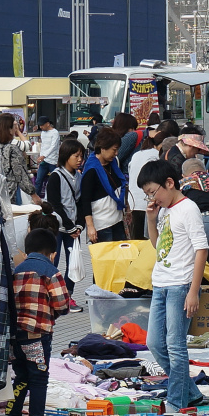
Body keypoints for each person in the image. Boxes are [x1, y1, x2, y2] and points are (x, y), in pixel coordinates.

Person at [139, 159, 209, 411]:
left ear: (169, 183)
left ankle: (176, 402)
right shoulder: (165, 210)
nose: (152, 198)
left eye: (152, 192)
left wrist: (193, 291)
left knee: (175, 345)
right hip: (161, 284)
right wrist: (151, 219)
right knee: (155, 343)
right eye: (147, 194)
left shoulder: (188, 208)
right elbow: (159, 246)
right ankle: (190, 392)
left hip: (181, 286)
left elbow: (202, 249)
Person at [7, 228, 71, 416]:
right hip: (37, 335)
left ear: (26, 252)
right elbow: (62, 304)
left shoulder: (15, 271)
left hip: (15, 336)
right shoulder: (50, 271)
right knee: (39, 377)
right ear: (53, 254)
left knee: (21, 375)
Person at [45, 139, 85, 297]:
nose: (80, 160)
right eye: (76, 156)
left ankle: (68, 295)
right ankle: (50, 293)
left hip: (73, 227)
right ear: (66, 156)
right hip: (57, 226)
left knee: (73, 263)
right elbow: (55, 204)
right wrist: (70, 226)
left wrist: (80, 225)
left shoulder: (79, 176)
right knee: (53, 260)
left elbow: (81, 202)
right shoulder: (56, 176)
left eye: (81, 156)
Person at [78, 128, 128, 245]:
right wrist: (90, 227)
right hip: (102, 225)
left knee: (122, 258)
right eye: (114, 150)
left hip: (117, 220)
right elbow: (85, 200)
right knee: (107, 261)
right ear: (103, 148)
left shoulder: (114, 163)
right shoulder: (91, 170)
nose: (116, 153)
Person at [0, 113, 39, 205]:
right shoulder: (12, 149)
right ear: (9, 130)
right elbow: (20, 174)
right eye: (14, 127)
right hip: (8, 193)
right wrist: (33, 194)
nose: (15, 130)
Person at [126, 131, 161, 241]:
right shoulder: (157, 155)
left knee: (136, 240)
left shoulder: (136, 154)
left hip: (133, 203)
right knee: (149, 239)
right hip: (148, 203)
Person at [34, 116, 60, 196]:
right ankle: (36, 198)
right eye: (40, 125)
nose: (41, 127)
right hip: (44, 161)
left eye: (42, 125)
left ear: (48, 124)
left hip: (53, 161)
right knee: (38, 180)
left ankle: (56, 197)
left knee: (55, 181)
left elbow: (53, 146)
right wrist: (41, 157)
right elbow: (43, 146)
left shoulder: (55, 133)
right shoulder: (43, 133)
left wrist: (43, 156)